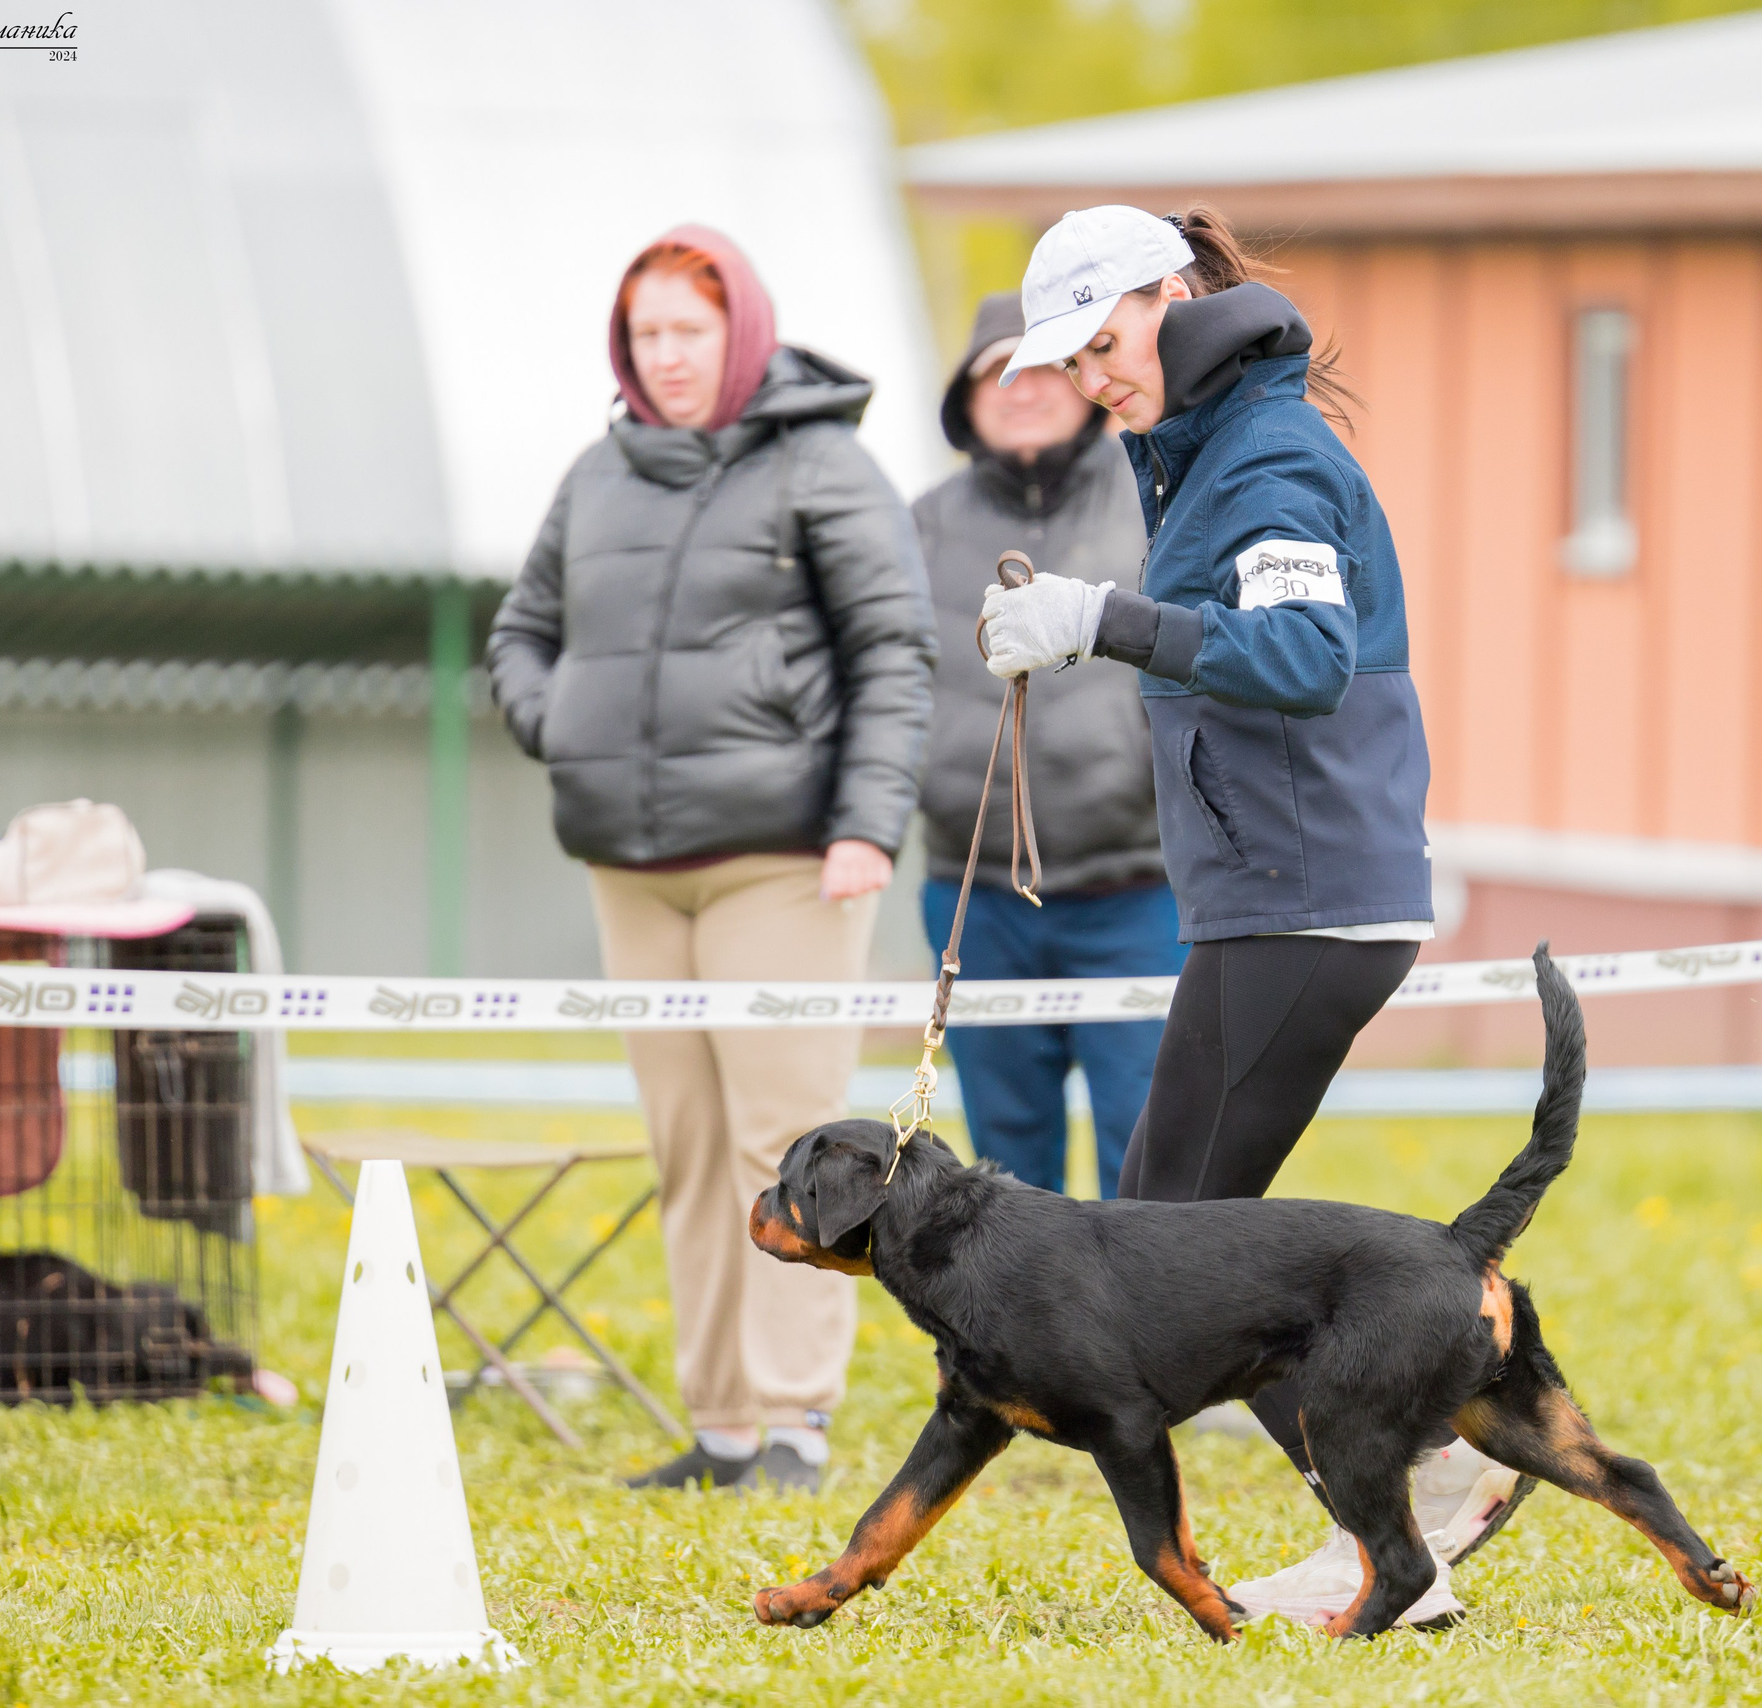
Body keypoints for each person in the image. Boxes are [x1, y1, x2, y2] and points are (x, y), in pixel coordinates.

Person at [975, 205, 1525, 1627]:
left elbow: (1298, 657)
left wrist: (1102, 619)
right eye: (1072, 359)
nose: (1091, 379)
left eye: (1103, 343)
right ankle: (1424, 1489)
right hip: (1273, 896)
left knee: (1172, 1246)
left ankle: (1409, 1519)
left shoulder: (1268, 452)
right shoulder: (1207, 443)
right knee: (1177, 1234)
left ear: (1172, 297)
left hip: (1306, 897)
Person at [487, 226, 934, 1494]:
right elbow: (521, 631)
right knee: (685, 1147)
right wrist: (564, 721)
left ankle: (795, 1425)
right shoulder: (597, 473)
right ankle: (724, 1428)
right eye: (645, 335)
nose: (666, 356)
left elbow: (894, 650)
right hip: (631, 864)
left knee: (786, 1146)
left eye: (688, 330)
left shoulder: (824, 464)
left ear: (739, 333)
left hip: (783, 859)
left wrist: (866, 823)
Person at [912, 292, 1182, 1198]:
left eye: (1041, 368)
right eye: (997, 374)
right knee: (1005, 1175)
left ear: (1083, 379)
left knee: (1147, 1155)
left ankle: (1145, 1305)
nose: (1021, 390)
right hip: (975, 899)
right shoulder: (918, 525)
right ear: (966, 399)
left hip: (1139, 889)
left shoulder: (1156, 494)